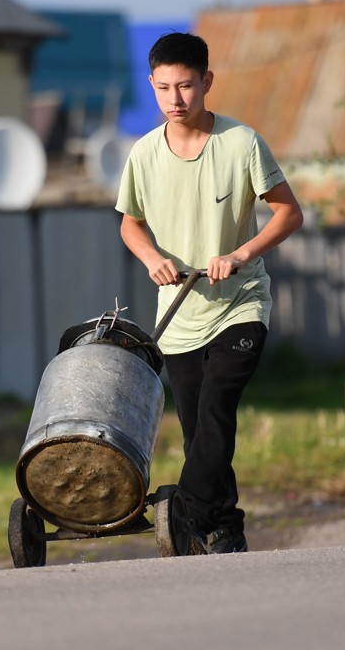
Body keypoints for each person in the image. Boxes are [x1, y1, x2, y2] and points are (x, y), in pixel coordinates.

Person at [115, 31, 303, 554]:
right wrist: (155, 259)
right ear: (152, 86)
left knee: (218, 408)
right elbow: (130, 224)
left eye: (187, 87)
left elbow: (290, 212)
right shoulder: (144, 153)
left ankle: (183, 511)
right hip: (178, 314)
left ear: (207, 83)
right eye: (164, 88)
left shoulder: (241, 143)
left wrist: (241, 254)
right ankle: (225, 529)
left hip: (240, 305)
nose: (175, 100)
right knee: (200, 432)